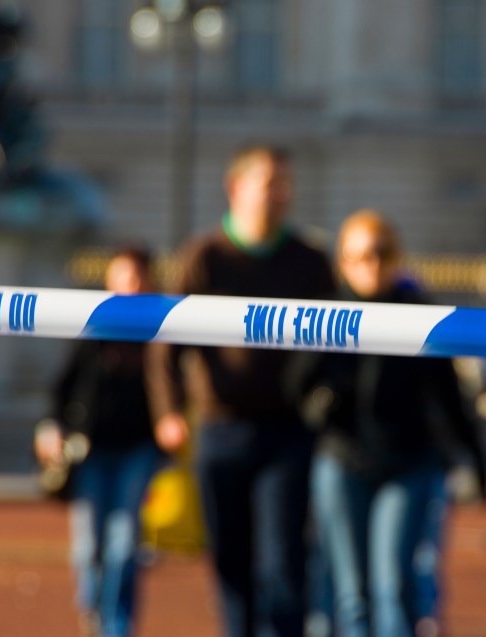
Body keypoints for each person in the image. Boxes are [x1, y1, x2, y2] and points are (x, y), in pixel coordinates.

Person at [147, 144, 336, 637]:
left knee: (283, 556)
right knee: (231, 558)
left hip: (287, 430)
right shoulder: (204, 258)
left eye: (286, 185)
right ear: (237, 188)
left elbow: (337, 341)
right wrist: (169, 411)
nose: (281, 196)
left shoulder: (309, 261)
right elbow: (167, 340)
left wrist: (319, 396)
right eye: (270, 183)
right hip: (220, 427)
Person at [294, 210, 486, 637]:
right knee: (351, 594)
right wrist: (322, 402)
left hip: (408, 461)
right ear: (343, 261)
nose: (372, 264)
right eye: (360, 256)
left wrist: (477, 460)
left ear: (397, 256)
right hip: (343, 460)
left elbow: (449, 393)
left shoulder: (420, 313)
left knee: (394, 586)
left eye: (381, 253)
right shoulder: (325, 312)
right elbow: (295, 386)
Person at [34, 245, 165, 637]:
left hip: (139, 448)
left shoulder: (163, 328)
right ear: (109, 280)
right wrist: (51, 425)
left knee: (124, 543)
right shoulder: (92, 327)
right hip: (91, 449)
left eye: (138, 276)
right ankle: (92, 615)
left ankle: (117, 627)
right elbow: (64, 387)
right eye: (123, 276)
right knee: (87, 545)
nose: (131, 284)